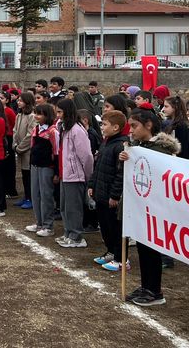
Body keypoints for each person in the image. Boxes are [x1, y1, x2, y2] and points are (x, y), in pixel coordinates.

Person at [118, 103, 180, 306]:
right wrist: (125, 160)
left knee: (152, 250)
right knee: (143, 249)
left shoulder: (161, 150)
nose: (131, 130)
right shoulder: (138, 148)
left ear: (149, 125)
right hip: (140, 206)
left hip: (155, 207)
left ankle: (154, 290)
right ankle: (146, 286)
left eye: (135, 125)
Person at [88, 110, 129, 272]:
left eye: (105, 124)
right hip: (100, 193)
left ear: (116, 127)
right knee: (105, 226)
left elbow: (120, 174)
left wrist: (114, 195)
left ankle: (121, 259)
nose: (102, 127)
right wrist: (92, 184)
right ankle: (111, 251)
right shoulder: (106, 142)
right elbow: (97, 167)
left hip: (110, 195)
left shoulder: (121, 145)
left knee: (115, 227)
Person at [55, 98, 94, 248]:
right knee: (65, 206)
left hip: (75, 175)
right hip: (65, 174)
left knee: (74, 207)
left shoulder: (77, 130)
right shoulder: (64, 128)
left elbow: (86, 156)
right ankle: (68, 232)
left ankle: (76, 236)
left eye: (60, 112)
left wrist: (87, 175)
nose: (58, 115)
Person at [12, 92, 37, 210]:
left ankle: (30, 198)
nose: (18, 102)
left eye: (21, 100)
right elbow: (15, 131)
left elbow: (30, 134)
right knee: (23, 175)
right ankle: (26, 196)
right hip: (19, 149)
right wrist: (15, 144)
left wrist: (20, 147)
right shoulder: (19, 115)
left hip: (27, 151)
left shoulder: (32, 116)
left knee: (28, 175)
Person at [162, 95, 189, 160]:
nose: (163, 109)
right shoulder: (172, 123)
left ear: (175, 107)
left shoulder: (181, 126)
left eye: (166, 106)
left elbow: (183, 149)